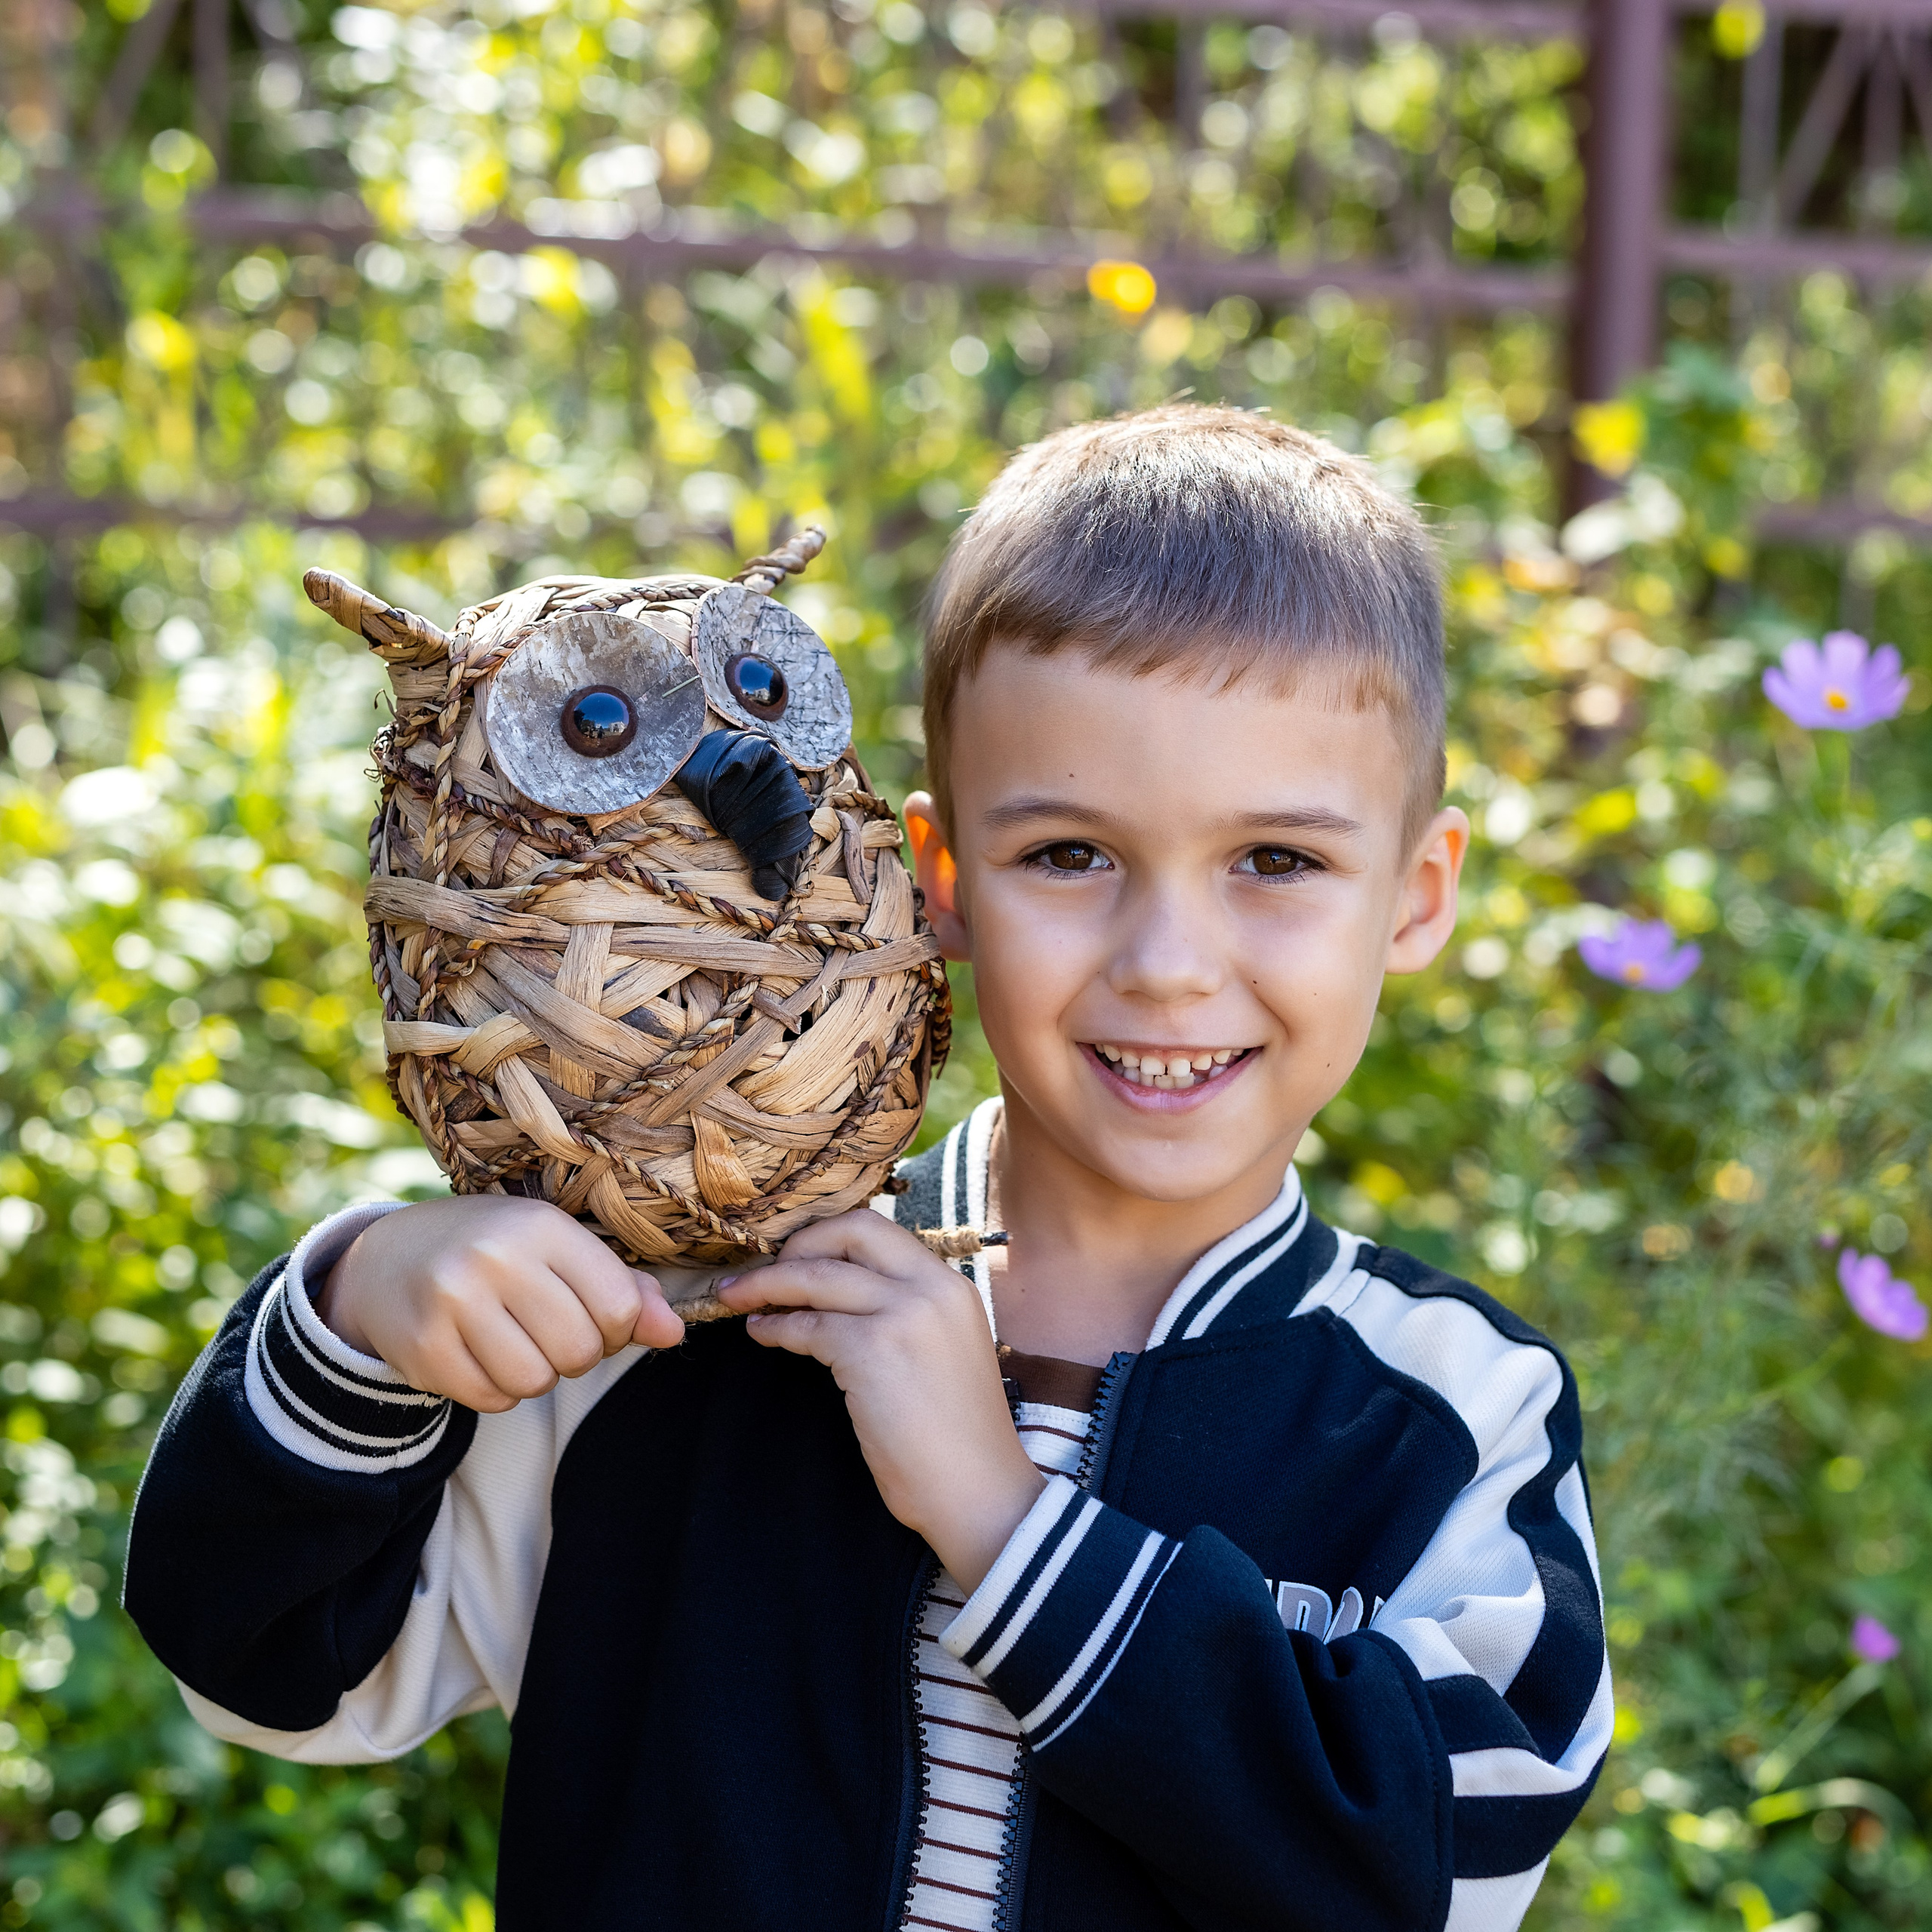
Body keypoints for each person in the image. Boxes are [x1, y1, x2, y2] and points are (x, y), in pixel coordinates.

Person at [126, 405, 1609, 1931]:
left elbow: (1437, 1861)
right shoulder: (688, 1312)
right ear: (936, 877)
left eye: (1276, 862)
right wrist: (355, 1315)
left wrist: (1002, 1515)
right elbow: (269, 1667)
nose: (1170, 964)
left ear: (1416, 895)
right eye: (1069, 856)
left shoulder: (1446, 1408)